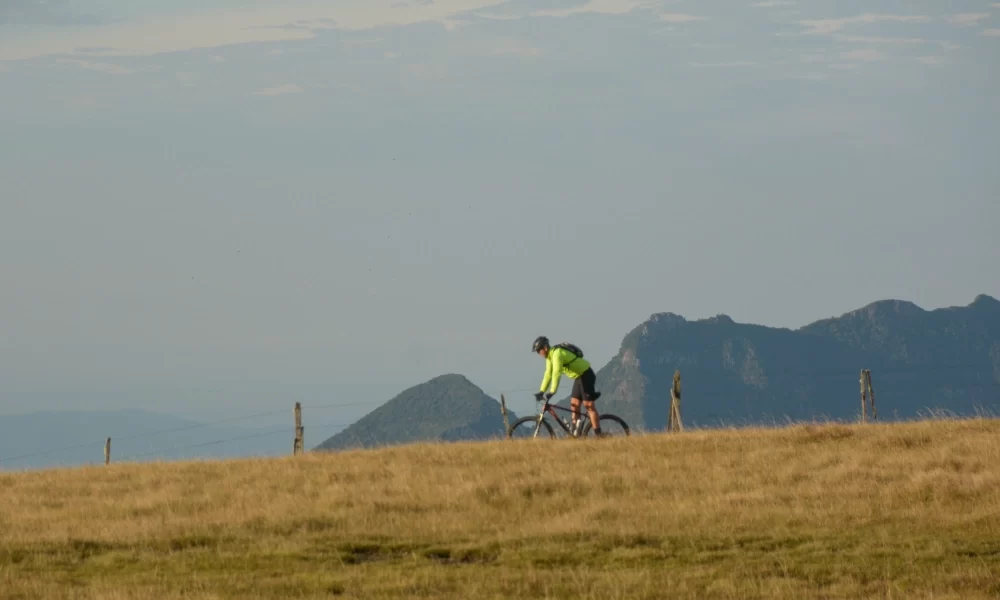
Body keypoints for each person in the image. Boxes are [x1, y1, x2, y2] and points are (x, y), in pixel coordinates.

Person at [531, 335, 604, 437]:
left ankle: (599, 435)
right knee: (574, 404)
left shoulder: (557, 354)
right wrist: (542, 391)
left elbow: (556, 373)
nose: (539, 353)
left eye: (539, 351)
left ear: (545, 348)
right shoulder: (549, 358)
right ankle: (575, 433)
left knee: (589, 406)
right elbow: (548, 374)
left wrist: (552, 391)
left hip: (586, 374)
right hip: (578, 377)